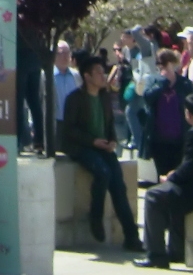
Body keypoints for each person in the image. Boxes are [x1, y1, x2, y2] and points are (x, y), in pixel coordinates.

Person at [60, 52, 142, 250]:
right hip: (83, 147)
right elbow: (69, 130)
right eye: (98, 73)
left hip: (103, 147)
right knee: (102, 172)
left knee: (119, 187)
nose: (103, 76)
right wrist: (92, 141)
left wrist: (112, 140)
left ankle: (132, 237)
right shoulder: (75, 98)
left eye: (103, 72)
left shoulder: (105, 97)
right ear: (87, 76)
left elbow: (110, 123)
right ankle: (95, 216)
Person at [136, 91, 193, 268]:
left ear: (188, 113)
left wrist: (170, 177)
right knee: (171, 197)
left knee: (153, 196)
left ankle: (156, 255)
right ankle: (176, 251)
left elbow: (189, 168)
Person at [143, 49, 193, 178]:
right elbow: (147, 98)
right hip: (159, 139)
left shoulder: (184, 83)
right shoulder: (152, 80)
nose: (162, 66)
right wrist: (162, 82)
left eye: (166, 63)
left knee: (178, 175)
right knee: (162, 175)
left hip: (180, 138)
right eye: (160, 63)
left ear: (173, 63)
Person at [52, 41, 79, 127]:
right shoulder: (46, 76)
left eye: (68, 53)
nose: (66, 56)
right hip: (54, 123)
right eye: (62, 53)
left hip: (75, 123)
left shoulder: (76, 75)